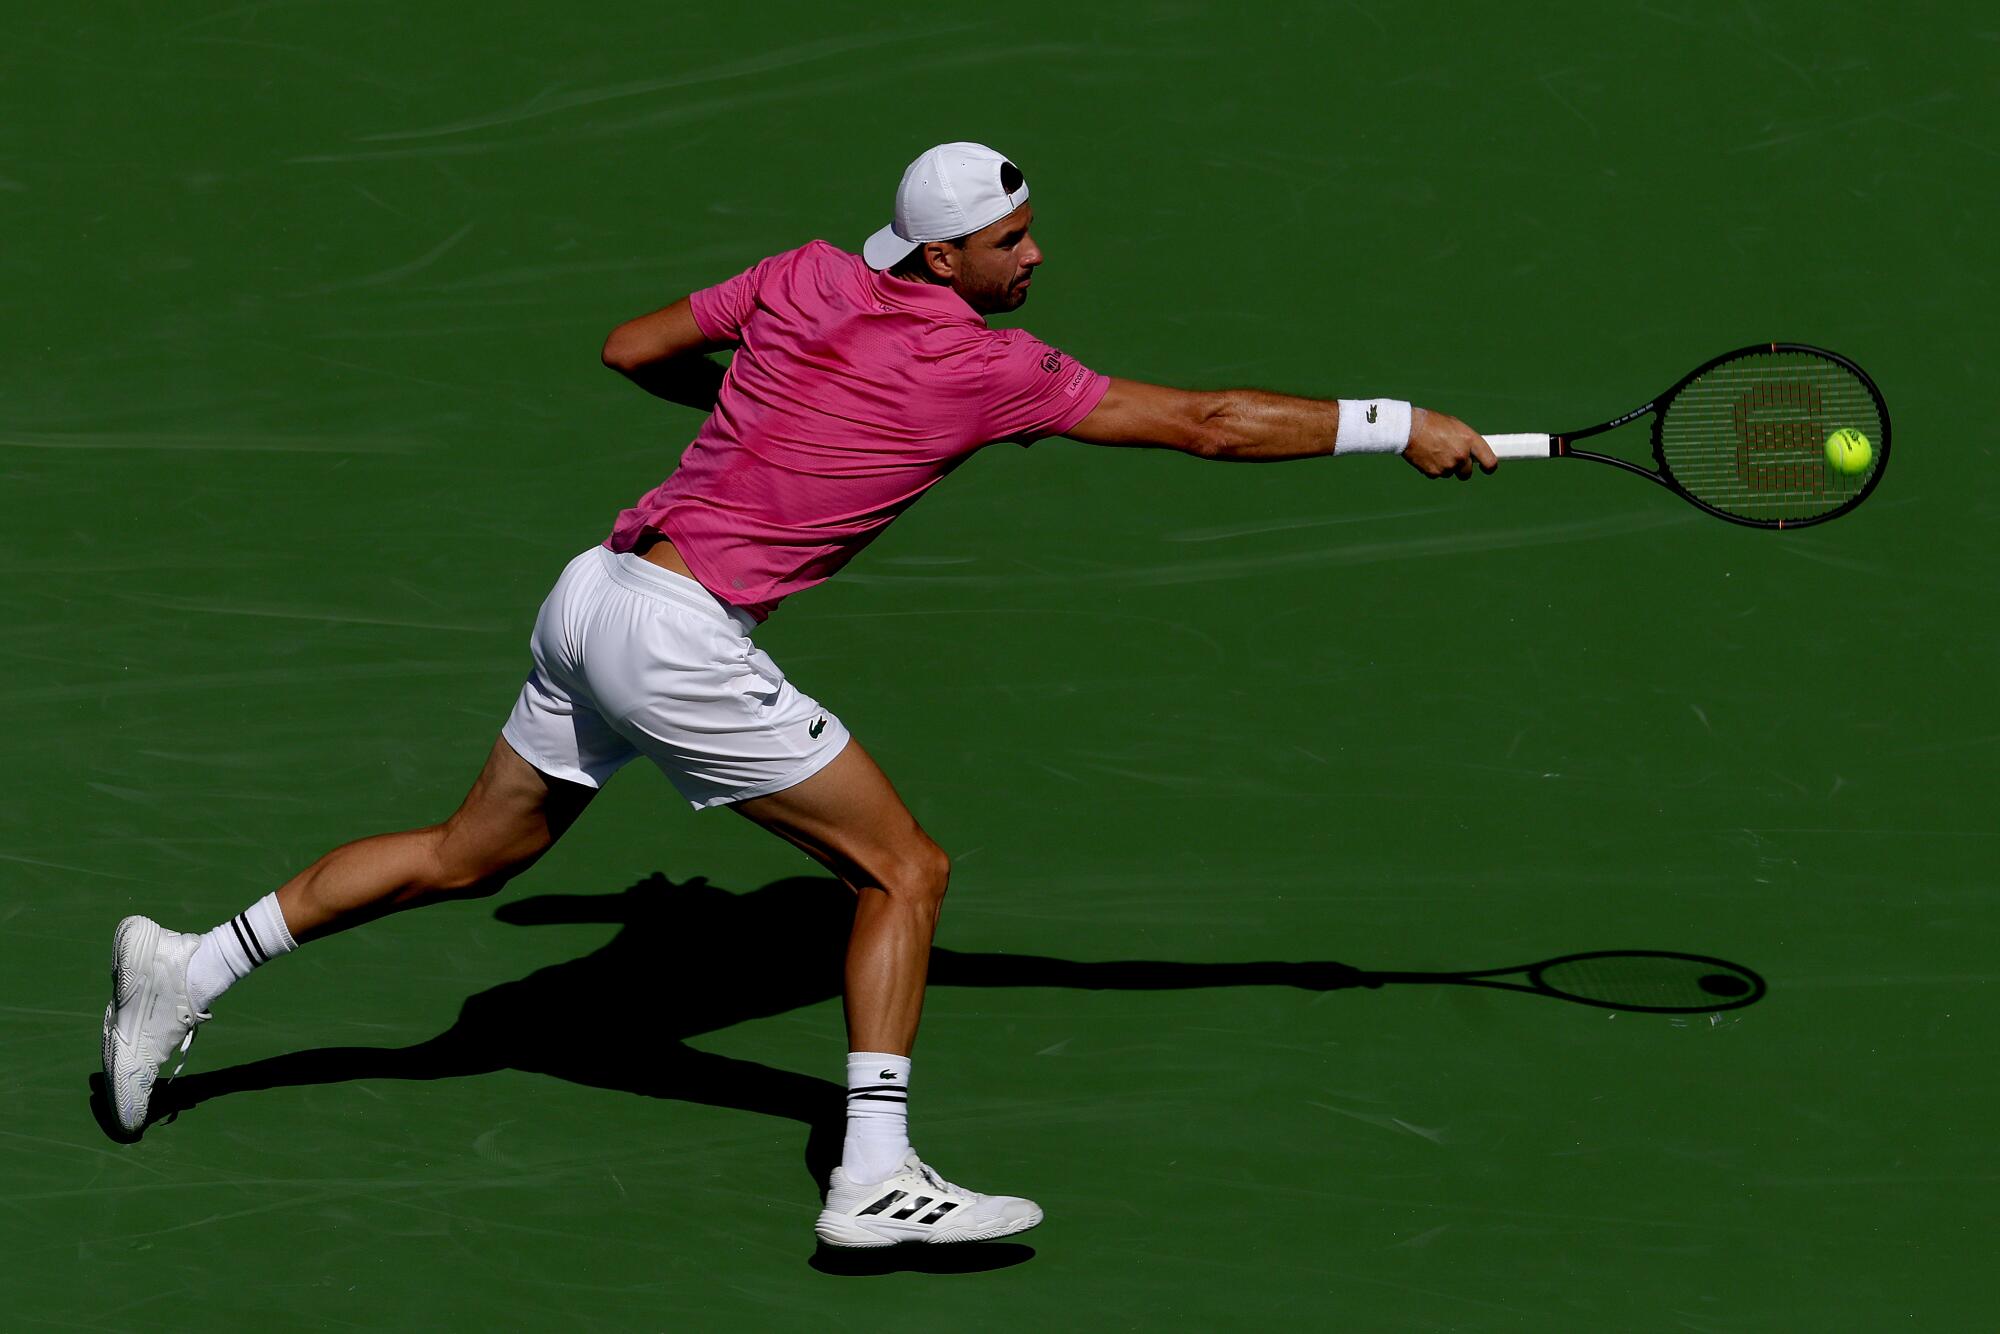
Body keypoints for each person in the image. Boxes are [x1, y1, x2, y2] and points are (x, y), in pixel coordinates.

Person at [101, 141, 1498, 1249]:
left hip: (592, 588)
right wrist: (1399, 425)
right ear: (946, 253)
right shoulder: (990, 366)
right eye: (1012, 240)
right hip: (678, 637)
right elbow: (1204, 423)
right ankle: (875, 1178)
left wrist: (757, 417)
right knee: (904, 869)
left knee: (478, 853)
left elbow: (630, 349)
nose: (1036, 255)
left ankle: (192, 962)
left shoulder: (803, 275)